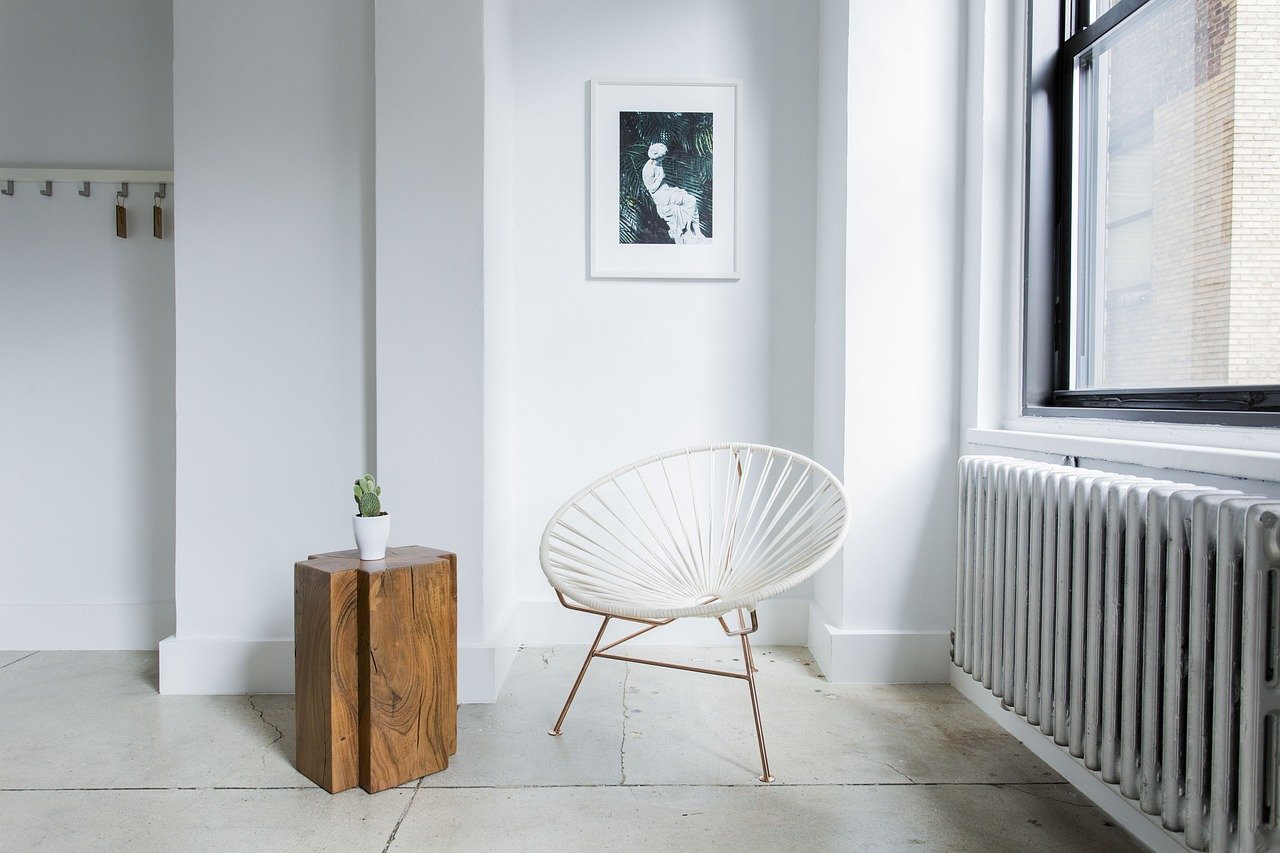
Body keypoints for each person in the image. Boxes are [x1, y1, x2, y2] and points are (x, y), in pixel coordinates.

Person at [641, 143, 709, 244]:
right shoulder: (649, 169)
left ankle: (696, 231)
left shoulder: (657, 162)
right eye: (662, 156)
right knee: (691, 200)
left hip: (666, 190)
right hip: (661, 196)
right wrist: (660, 177)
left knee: (690, 200)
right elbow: (651, 189)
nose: (664, 158)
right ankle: (693, 230)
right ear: (658, 156)